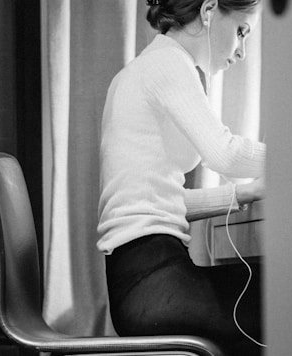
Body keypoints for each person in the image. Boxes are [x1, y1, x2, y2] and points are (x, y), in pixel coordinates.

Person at [97, 0, 266, 354]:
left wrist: (243, 196)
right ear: (208, 10)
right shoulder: (168, 63)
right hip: (154, 285)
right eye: (240, 32)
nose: (242, 52)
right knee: (286, 296)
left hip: (143, 282)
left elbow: (161, 198)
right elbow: (226, 154)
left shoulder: (146, 67)